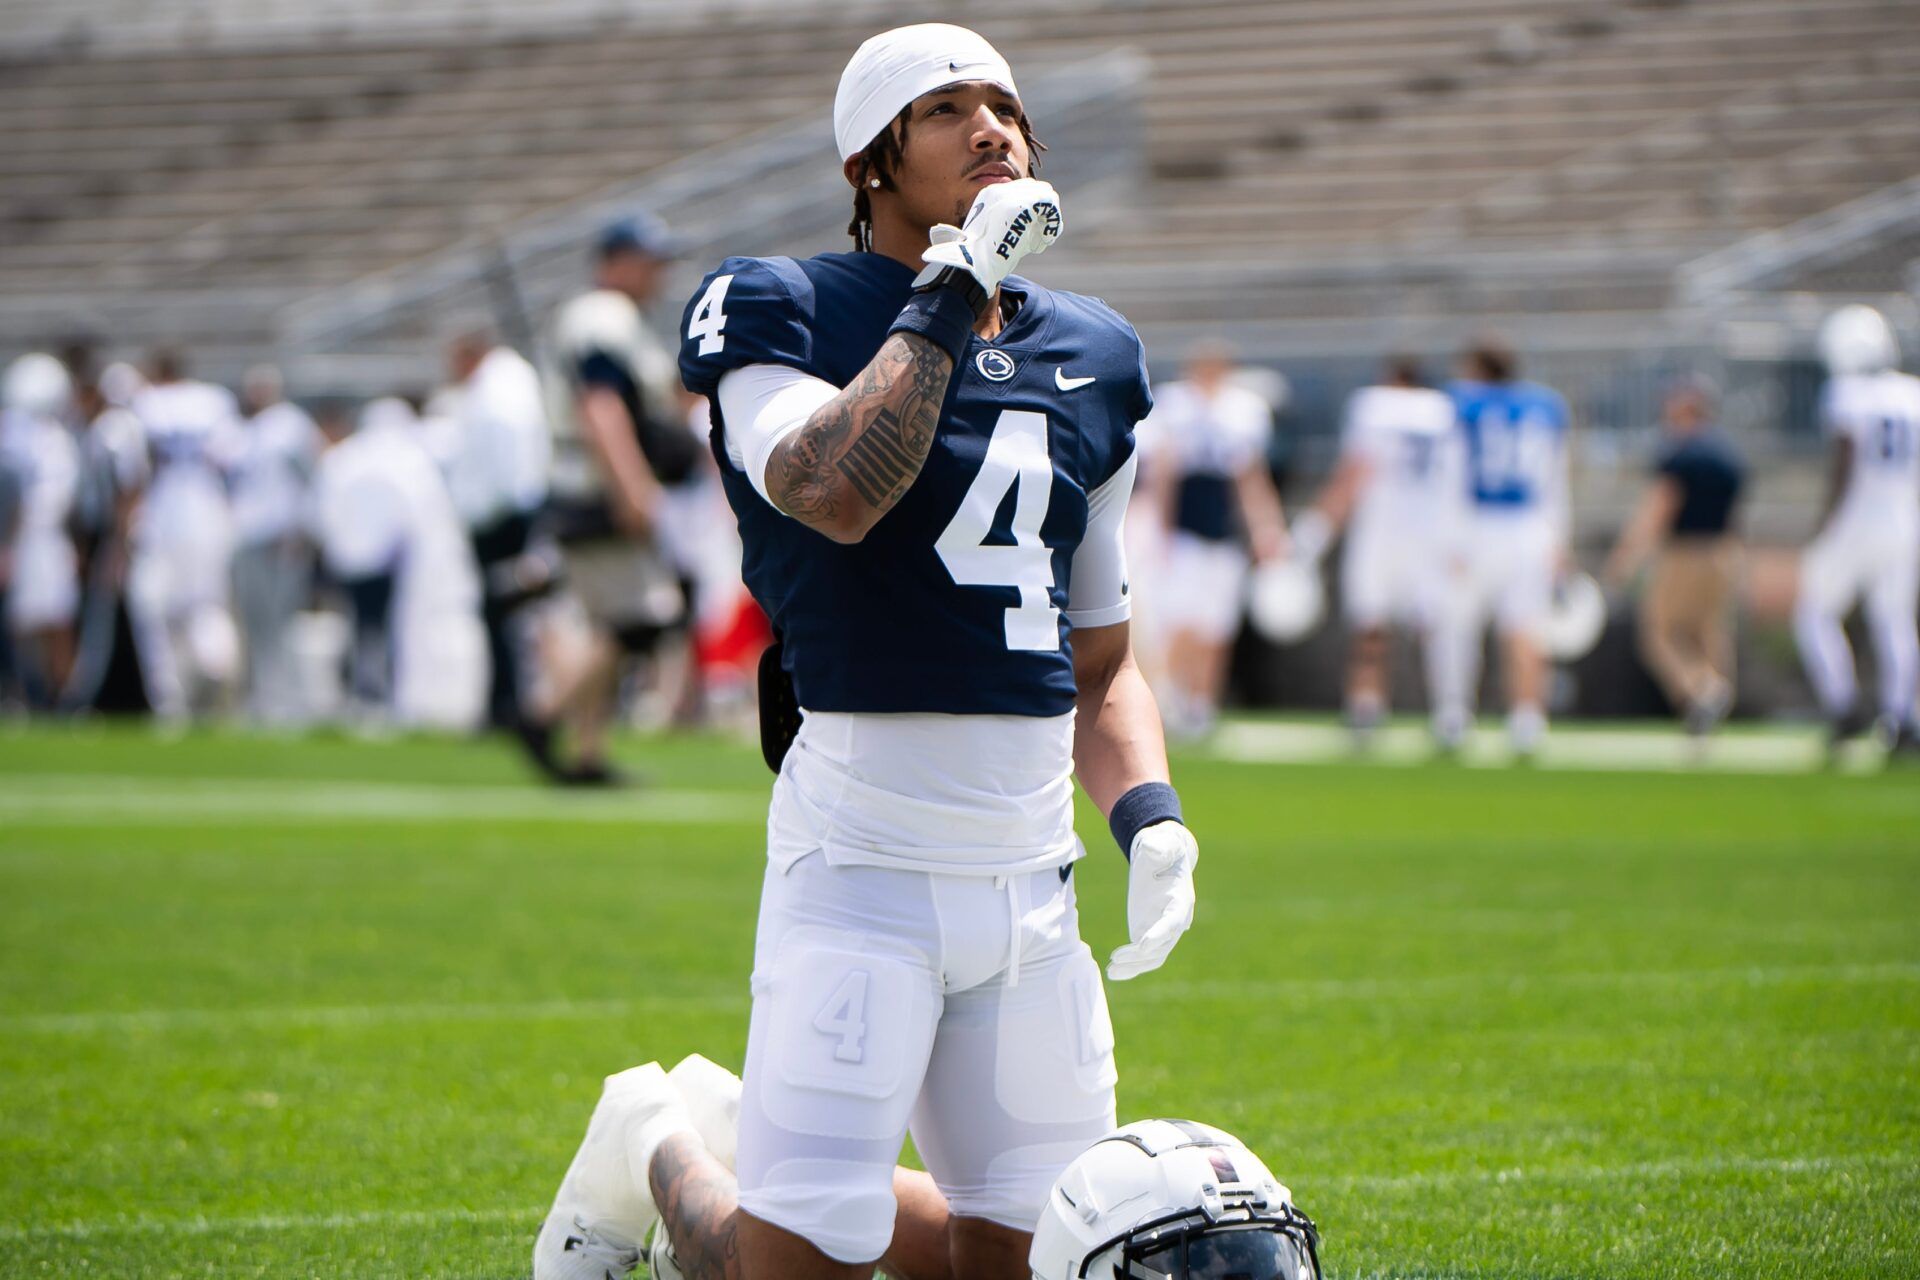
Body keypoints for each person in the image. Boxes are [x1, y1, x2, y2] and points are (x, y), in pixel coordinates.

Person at [533, 23, 1199, 1280]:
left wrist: (1151, 814)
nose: (991, 127)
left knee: (1026, 1258)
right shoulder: (784, 302)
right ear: (869, 161)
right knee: (800, 1268)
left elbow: (1103, 660)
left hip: (1030, 873)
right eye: (945, 108)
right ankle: (657, 1138)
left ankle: (736, 1124)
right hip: (862, 859)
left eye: (1003, 102)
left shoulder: (1095, 353)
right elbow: (830, 486)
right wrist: (952, 287)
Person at [528, 214, 701, 783]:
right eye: (647, 260)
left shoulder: (617, 319)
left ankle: (586, 752)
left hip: (593, 485)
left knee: (612, 621)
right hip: (595, 489)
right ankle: (540, 716)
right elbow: (600, 406)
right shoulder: (602, 317)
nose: (657, 274)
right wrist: (633, 488)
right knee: (642, 619)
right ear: (616, 261)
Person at [1292, 356, 1462, 747]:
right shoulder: (1442, 412)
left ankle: (1366, 707)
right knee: (1435, 627)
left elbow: (1355, 471)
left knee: (1370, 628)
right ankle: (1450, 711)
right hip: (1430, 535)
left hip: (1381, 532)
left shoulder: (1373, 408)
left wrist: (1315, 532)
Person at [1430, 338, 1571, 757]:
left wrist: (1448, 538)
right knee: (1525, 628)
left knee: (1457, 627)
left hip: (1476, 524)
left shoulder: (1461, 404)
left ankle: (1454, 715)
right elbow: (1555, 480)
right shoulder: (1544, 406)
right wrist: (1558, 538)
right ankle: (1528, 719)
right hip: (1530, 527)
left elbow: (1449, 474)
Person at [312, 398, 486, 730]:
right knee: (387, 629)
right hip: (390, 562)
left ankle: (362, 694)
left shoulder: (346, 458)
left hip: (353, 561)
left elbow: (324, 510)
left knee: (360, 627)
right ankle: (377, 694)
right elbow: (418, 516)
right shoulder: (408, 460)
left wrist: (340, 550)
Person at [1793, 305, 1920, 754]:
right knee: (1895, 621)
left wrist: (1825, 521)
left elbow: (1845, 463)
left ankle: (1843, 705)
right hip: (1905, 521)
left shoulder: (1846, 394)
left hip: (1857, 520)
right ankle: (1903, 718)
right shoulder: (1912, 393)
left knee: (1813, 613)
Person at [1145, 341, 1287, 738]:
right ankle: (1170, 698)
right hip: (1187, 524)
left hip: (1224, 527)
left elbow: (1250, 477)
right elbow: (1164, 474)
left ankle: (1201, 704)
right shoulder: (1175, 405)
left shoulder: (1242, 412)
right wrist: (1162, 531)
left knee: (1216, 626)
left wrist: (1265, 527)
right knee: (1178, 621)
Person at [1603, 375, 1746, 738]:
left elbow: (1658, 510)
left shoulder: (1681, 454)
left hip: (1684, 553)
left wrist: (1625, 559)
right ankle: (1713, 703)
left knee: (1659, 634)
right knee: (1707, 630)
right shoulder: (1728, 454)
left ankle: (1704, 690)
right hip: (1723, 552)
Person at [436, 330, 552, 730]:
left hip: (502, 520)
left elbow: (508, 466)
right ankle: (505, 700)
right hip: (503, 516)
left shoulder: (499, 391)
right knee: (503, 615)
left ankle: (509, 703)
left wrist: (497, 510)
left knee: (507, 613)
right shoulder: (500, 387)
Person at [127, 348, 243, 723]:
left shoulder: (145, 402)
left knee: (155, 607)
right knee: (208, 605)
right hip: (209, 511)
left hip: (163, 513)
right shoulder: (213, 400)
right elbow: (231, 461)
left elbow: (135, 471)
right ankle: (219, 679)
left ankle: (170, 698)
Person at [229, 365, 322, 727]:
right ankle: (264, 698)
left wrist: (300, 531)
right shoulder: (248, 430)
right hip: (249, 538)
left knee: (283, 622)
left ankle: (291, 702)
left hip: (280, 539)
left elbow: (310, 481)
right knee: (256, 623)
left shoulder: (291, 426)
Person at [0, 354, 82, 708]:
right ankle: (30, 692)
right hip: (31, 539)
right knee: (34, 623)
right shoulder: (41, 436)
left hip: (37, 539)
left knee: (49, 620)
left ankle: (53, 697)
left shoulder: (48, 436)